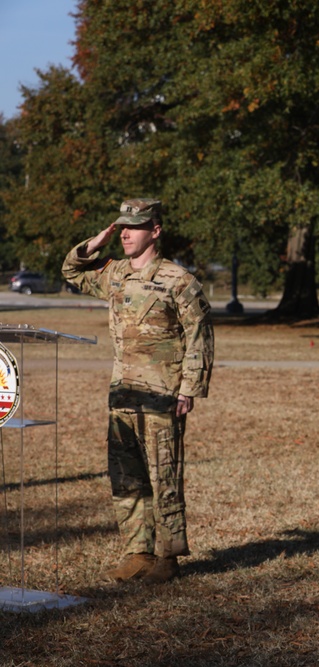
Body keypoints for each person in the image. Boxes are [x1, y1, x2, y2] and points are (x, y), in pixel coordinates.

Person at [63, 198, 214, 585]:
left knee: (164, 476)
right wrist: (94, 245)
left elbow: (200, 337)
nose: (126, 233)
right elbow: (71, 271)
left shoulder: (178, 281)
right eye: (121, 227)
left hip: (162, 396)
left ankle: (168, 557)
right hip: (123, 395)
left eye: (135, 226)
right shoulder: (114, 275)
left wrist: (189, 389)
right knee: (126, 478)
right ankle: (138, 553)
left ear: (156, 231)